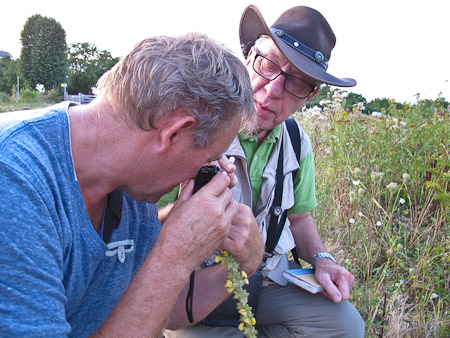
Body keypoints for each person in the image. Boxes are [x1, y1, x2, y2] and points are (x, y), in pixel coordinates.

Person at [0, 32, 264, 337]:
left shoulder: (134, 184)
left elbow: (162, 311)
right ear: (174, 133)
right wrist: (175, 251)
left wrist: (248, 260)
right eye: (210, 158)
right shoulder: (16, 180)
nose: (214, 173)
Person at [161, 5, 365, 337]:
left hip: (269, 278)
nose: (272, 90)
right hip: (196, 284)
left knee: (346, 325)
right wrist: (185, 213)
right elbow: (143, 224)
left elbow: (299, 218)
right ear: (247, 58)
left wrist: (323, 259)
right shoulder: (193, 128)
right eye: (268, 65)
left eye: (297, 83)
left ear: (310, 96)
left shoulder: (297, 142)